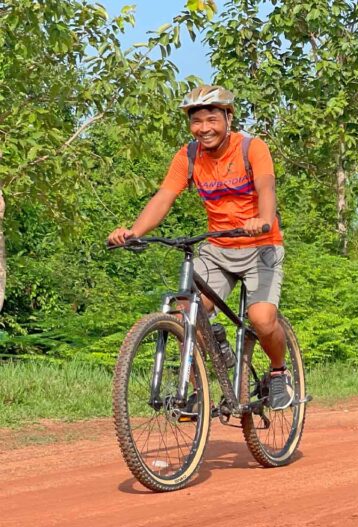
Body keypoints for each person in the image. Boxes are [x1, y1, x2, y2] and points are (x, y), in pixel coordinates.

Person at [107, 85, 294, 410]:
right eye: (197, 121)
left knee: (262, 319)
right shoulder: (189, 156)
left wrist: (263, 219)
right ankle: (197, 391)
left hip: (261, 245)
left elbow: (266, 187)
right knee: (186, 315)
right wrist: (133, 231)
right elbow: (164, 196)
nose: (204, 127)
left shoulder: (252, 148)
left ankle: (278, 373)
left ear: (228, 117)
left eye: (212, 119)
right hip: (218, 248)